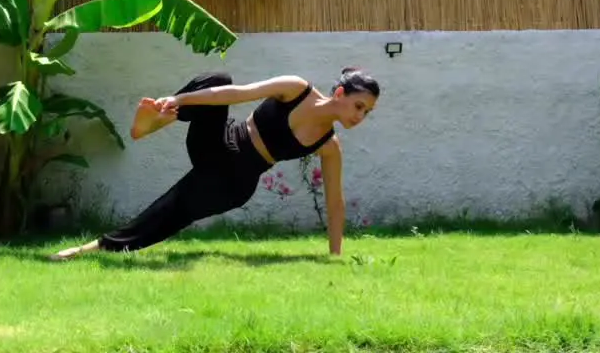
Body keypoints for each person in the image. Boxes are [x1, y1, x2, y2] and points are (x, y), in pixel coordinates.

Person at [48, 67, 381, 260]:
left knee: (174, 209)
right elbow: (235, 94)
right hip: (220, 141)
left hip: (236, 181)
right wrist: (178, 99)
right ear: (339, 94)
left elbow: (334, 203)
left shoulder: (330, 146)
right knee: (219, 78)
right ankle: (161, 119)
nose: (360, 117)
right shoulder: (296, 89)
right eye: (358, 106)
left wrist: (335, 256)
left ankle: (92, 248)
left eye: (366, 112)